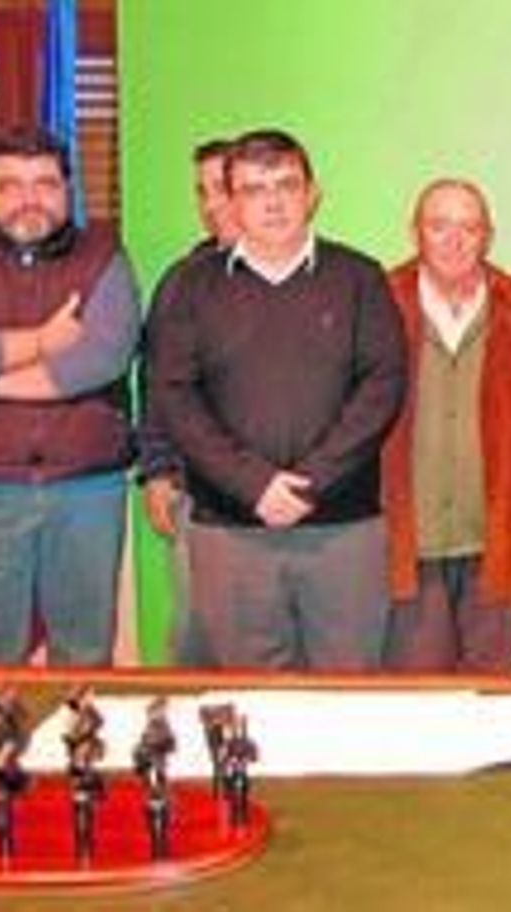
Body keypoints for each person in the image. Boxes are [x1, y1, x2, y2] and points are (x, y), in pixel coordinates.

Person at [147, 128, 407, 671]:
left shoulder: (359, 277)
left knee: (348, 693)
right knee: (252, 704)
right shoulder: (190, 286)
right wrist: (253, 484)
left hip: (343, 529)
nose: (272, 201)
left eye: (286, 184)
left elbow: (382, 387)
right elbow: (175, 397)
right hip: (232, 531)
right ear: (231, 202)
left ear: (311, 193)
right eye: (253, 188)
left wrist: (310, 481)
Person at [0, 126, 141, 667]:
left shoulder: (104, 254)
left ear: (68, 188)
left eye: (44, 183)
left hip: (88, 487)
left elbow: (102, 356)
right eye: (11, 185)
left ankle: (74, 753)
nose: (28, 199)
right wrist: (41, 341)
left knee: (85, 653)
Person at [380, 178, 511, 673]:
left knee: (498, 700)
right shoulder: (379, 303)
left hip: (499, 550)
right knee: (418, 701)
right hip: (405, 547)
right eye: (439, 225)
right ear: (415, 233)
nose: (454, 240)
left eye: (469, 227)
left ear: (488, 235)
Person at [137, 137, 241, 666]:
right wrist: (156, 470)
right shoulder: (180, 283)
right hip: (196, 497)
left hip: (286, 505)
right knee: (198, 638)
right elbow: (156, 383)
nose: (211, 205)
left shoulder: (320, 277)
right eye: (201, 192)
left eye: (222, 189)